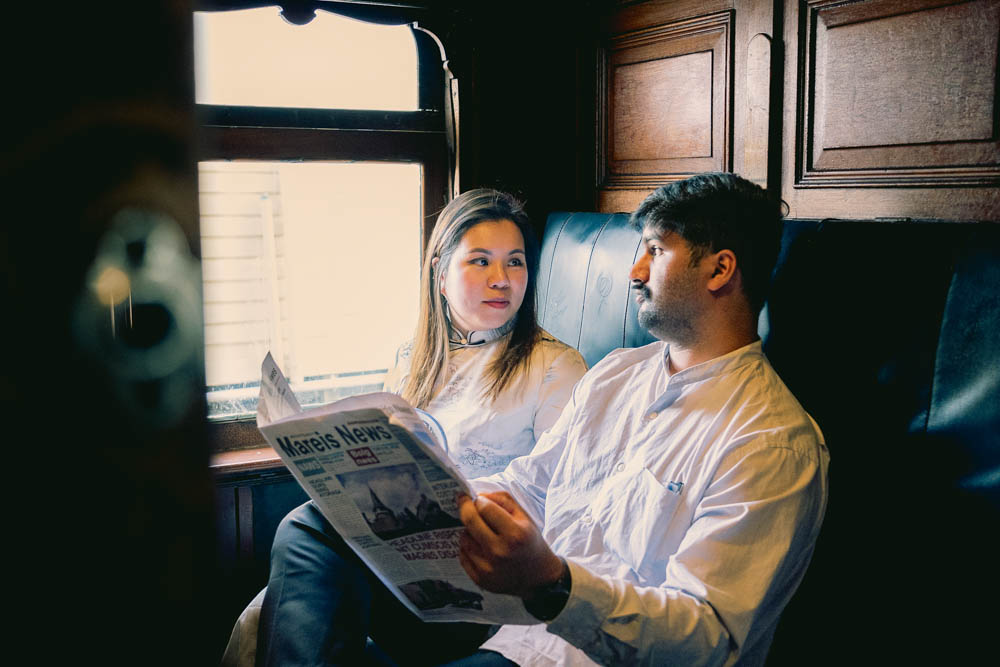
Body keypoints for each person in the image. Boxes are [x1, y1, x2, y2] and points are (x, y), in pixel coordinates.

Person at [452, 172, 829, 665]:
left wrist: (554, 584)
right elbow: (533, 484)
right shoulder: (617, 374)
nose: (635, 271)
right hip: (513, 638)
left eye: (655, 250)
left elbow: (706, 638)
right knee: (321, 536)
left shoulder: (771, 441)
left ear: (719, 270)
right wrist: (439, 496)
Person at [240, 189, 588, 666]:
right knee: (306, 524)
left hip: (486, 585)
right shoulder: (413, 360)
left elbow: (566, 500)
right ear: (441, 275)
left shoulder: (556, 366)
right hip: (404, 572)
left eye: (515, 263)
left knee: (305, 533)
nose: (502, 280)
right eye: (481, 261)